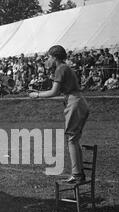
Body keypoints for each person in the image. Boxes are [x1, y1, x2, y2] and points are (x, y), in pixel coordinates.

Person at [29, 45, 89, 184]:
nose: (47, 60)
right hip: (78, 101)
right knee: (74, 139)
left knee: (72, 139)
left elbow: (53, 92)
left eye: (49, 57)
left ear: (54, 57)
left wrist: (36, 95)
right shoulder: (64, 68)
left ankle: (77, 174)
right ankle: (79, 172)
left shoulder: (60, 68)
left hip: (74, 103)